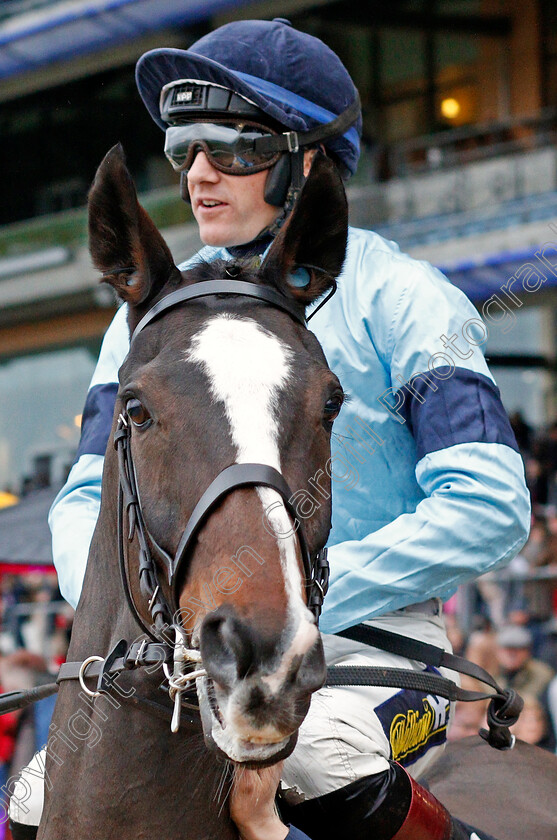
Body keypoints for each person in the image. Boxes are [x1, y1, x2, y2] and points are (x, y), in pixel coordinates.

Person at [10, 18, 530, 840]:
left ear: (308, 159)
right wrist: (160, 611)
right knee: (38, 795)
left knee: (319, 753)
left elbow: (488, 503)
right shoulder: (148, 319)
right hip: (181, 640)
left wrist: (285, 596)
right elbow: (83, 501)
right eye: (185, 149)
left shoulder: (404, 297)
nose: (200, 175)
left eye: (235, 149)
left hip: (378, 638)